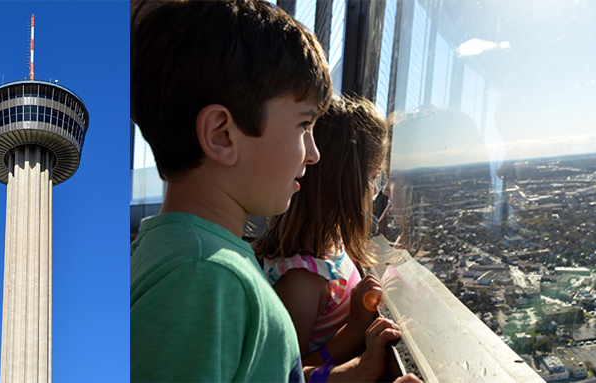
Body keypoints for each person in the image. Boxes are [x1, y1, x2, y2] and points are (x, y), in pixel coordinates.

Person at [130, 1, 408, 382]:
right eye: (303, 126)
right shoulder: (204, 278)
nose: (314, 154)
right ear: (221, 135)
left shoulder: (188, 256)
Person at [254, 96, 399, 381]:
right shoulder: (301, 281)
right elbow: (287, 375)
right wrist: (355, 333)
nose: (375, 191)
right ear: (341, 183)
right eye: (371, 178)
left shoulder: (334, 249)